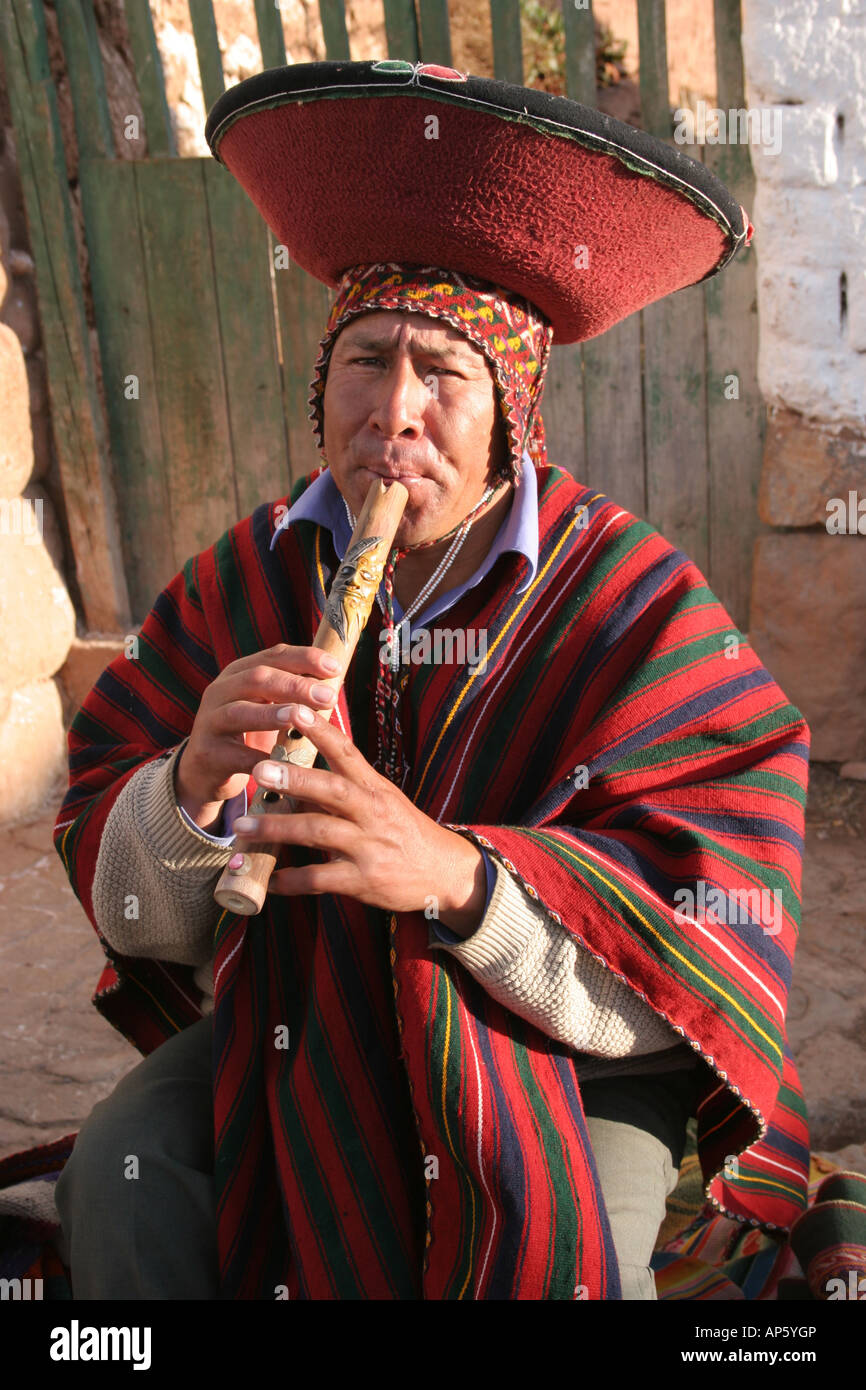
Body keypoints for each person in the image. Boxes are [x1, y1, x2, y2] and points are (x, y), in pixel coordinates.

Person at [53, 62, 810, 1301]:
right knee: (123, 1171)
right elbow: (145, 923)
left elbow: (706, 932)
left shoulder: (632, 600)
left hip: (562, 1054)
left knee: (563, 1255)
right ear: (321, 385)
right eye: (363, 362)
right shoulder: (241, 579)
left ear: (508, 410)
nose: (392, 415)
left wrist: (457, 880)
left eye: (440, 375)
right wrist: (187, 793)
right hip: (300, 1017)